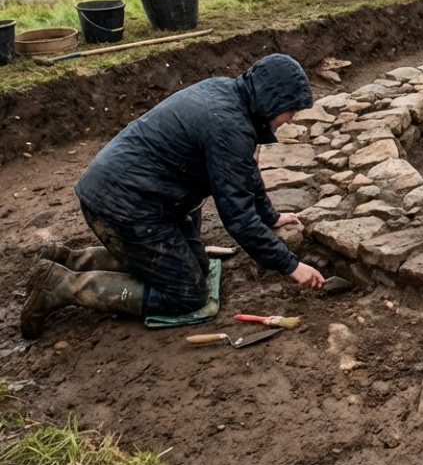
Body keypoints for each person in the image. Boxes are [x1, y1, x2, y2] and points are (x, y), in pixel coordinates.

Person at [20, 53, 326, 340]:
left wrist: (270, 217)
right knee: (187, 295)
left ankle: (69, 259)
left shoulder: (228, 94)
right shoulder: (229, 126)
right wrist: (290, 265)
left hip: (144, 197)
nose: (290, 119)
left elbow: (244, 172)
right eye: (291, 110)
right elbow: (238, 217)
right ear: (272, 100)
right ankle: (61, 285)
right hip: (122, 205)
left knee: (198, 268)